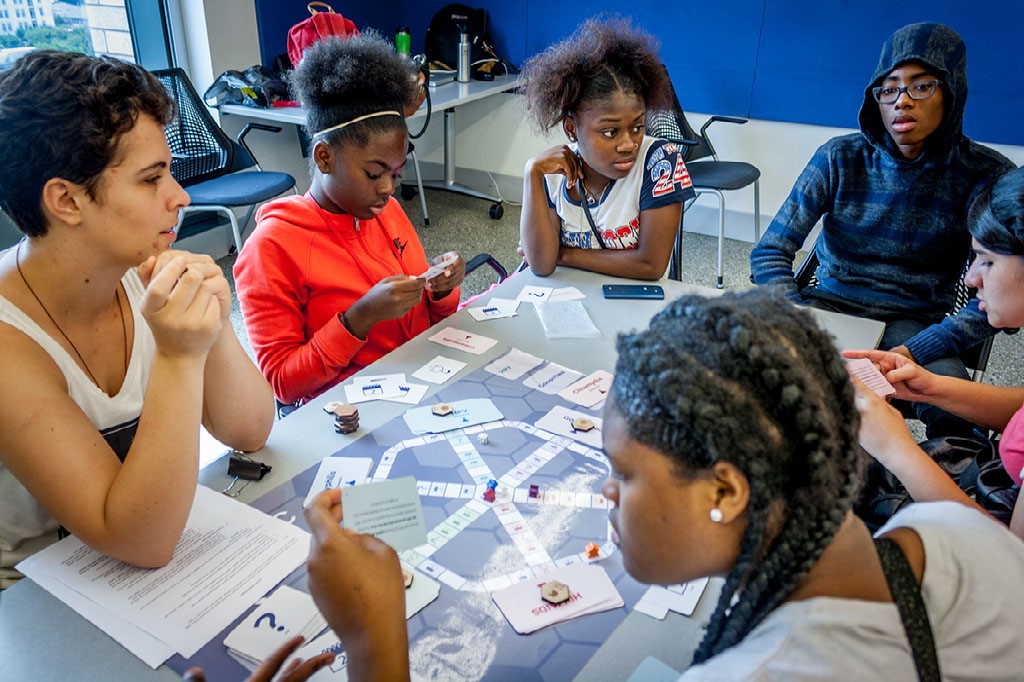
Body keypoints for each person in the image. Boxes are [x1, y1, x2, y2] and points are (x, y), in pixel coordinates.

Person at [301, 289, 1024, 679]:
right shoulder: (955, 529)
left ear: (727, 493)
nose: (605, 493)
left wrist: (373, 644)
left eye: (623, 474)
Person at [0, 51, 275, 588]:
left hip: (144, 561)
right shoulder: (9, 347)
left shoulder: (136, 269)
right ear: (67, 201)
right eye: (151, 180)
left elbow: (248, 429)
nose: (180, 196)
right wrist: (177, 354)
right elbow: (140, 540)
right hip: (34, 599)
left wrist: (212, 325)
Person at [750, 22, 1015, 439]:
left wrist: (917, 349)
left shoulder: (986, 175)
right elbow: (769, 252)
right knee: (748, 384)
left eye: (920, 87)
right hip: (829, 307)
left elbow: (995, 300)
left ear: (952, 92)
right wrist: (798, 319)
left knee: (960, 424)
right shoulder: (839, 157)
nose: (900, 102)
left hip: (917, 324)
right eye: (887, 89)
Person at [234, 33, 464, 408]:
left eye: (397, 173)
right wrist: (359, 319)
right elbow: (283, 384)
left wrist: (440, 289)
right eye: (374, 174)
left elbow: (425, 323)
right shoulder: (271, 248)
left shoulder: (381, 208)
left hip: (421, 382)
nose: (388, 189)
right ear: (324, 158)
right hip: (350, 409)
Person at [850, 167, 1024, 540]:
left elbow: (1007, 559)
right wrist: (930, 388)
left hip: (979, 539)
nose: (971, 278)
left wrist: (895, 447)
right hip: (985, 480)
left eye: (987, 260)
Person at [518, 18, 694, 280]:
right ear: (571, 129)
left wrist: (563, 254)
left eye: (637, 127)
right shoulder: (552, 173)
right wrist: (531, 173)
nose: (628, 144)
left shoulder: (660, 162)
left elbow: (651, 265)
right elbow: (541, 265)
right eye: (610, 132)